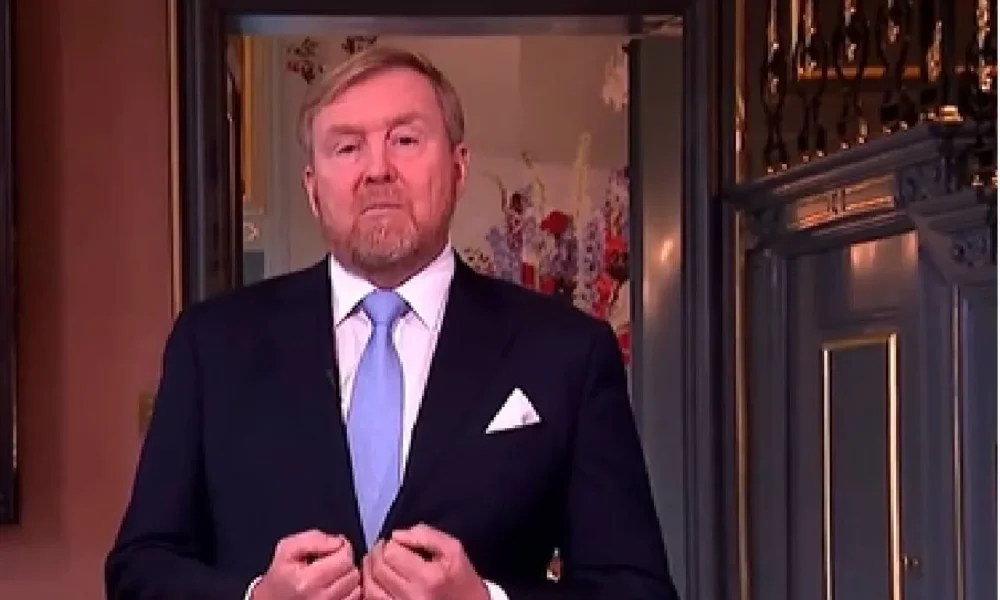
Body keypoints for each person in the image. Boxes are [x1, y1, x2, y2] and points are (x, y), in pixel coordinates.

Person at [105, 46, 679, 600]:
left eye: (404, 140)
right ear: (312, 188)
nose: (377, 170)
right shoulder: (213, 345)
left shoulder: (566, 351)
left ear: (459, 166)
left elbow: (637, 589)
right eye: (347, 147)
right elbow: (139, 571)